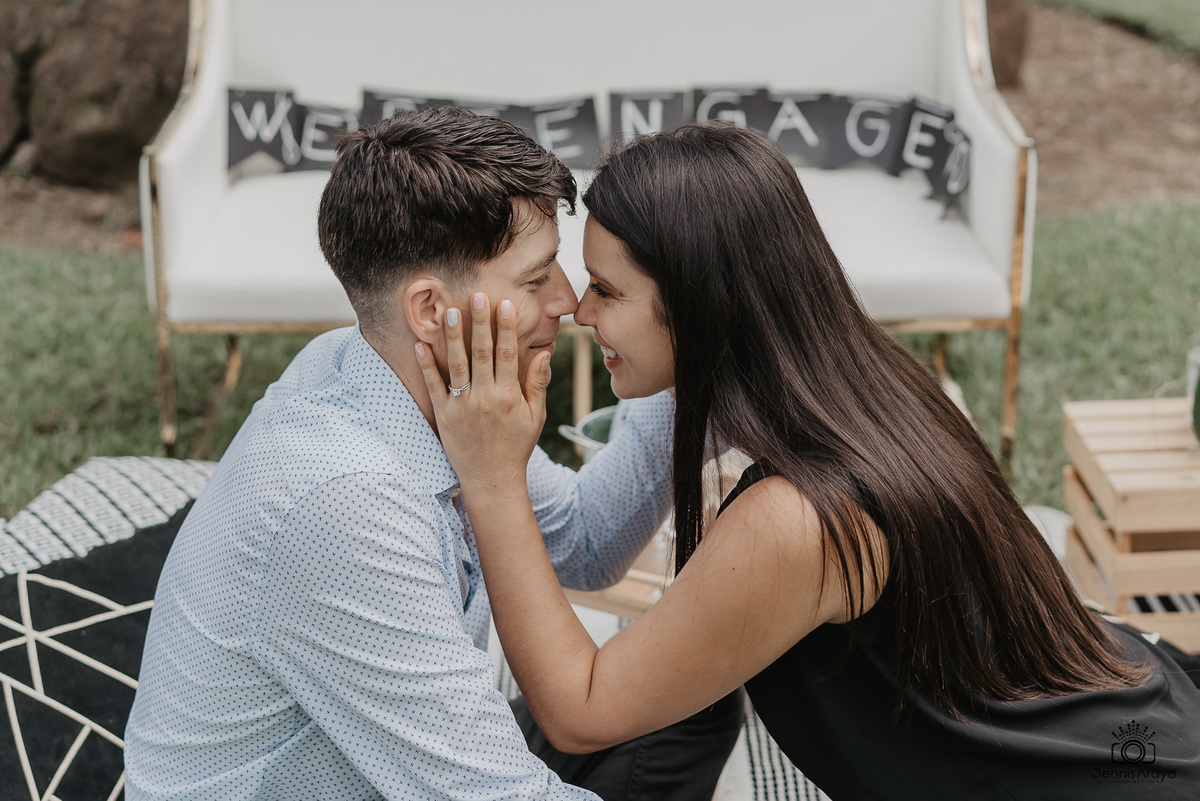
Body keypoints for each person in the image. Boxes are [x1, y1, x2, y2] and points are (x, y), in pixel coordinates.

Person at [417, 122, 1200, 799]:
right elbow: (591, 531)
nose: (581, 314)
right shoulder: (857, 381)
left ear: (701, 305)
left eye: (608, 292)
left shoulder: (798, 517)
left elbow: (582, 708)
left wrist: (492, 480)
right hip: (1128, 711)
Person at [123, 108, 742, 801]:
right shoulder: (342, 499)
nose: (568, 302)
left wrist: (699, 341)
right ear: (429, 310)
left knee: (681, 702)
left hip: (386, 764)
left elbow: (585, 540)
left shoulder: (398, 374)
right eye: (537, 279)